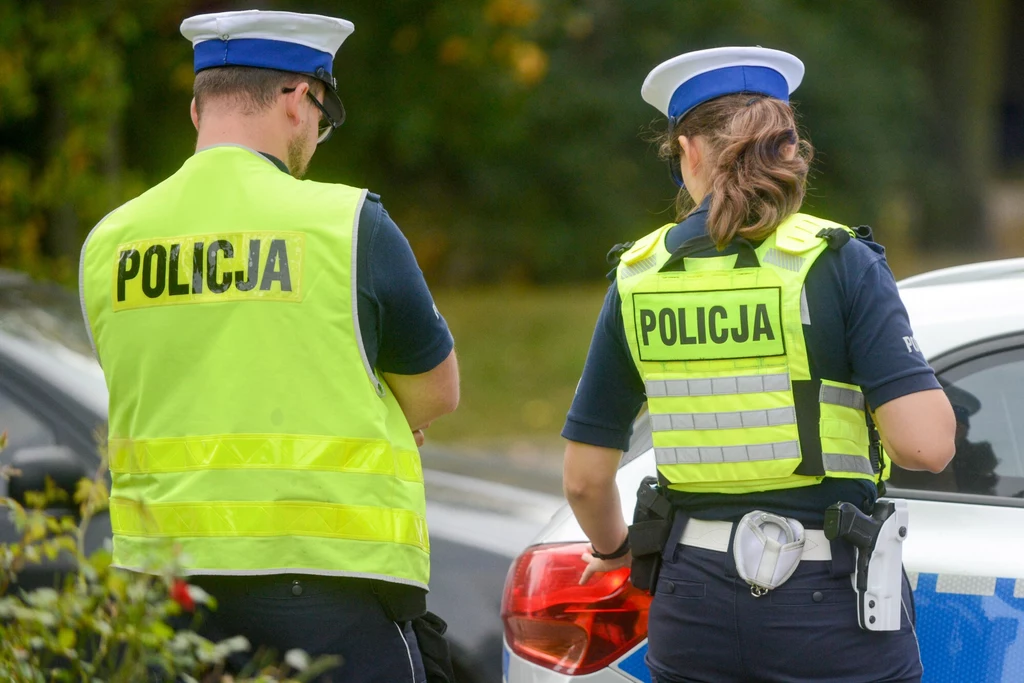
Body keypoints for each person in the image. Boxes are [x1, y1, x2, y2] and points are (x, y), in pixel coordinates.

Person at [78, 10, 458, 682]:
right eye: (323, 114)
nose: (318, 133)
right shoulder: (347, 223)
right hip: (325, 587)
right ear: (297, 98)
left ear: (200, 111)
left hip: (162, 592)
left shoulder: (110, 241)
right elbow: (436, 392)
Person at [560, 46, 956, 683]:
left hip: (692, 610)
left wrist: (612, 550)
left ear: (687, 151)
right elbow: (927, 446)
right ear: (790, 148)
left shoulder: (637, 277)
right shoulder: (839, 261)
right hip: (830, 607)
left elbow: (583, 479)